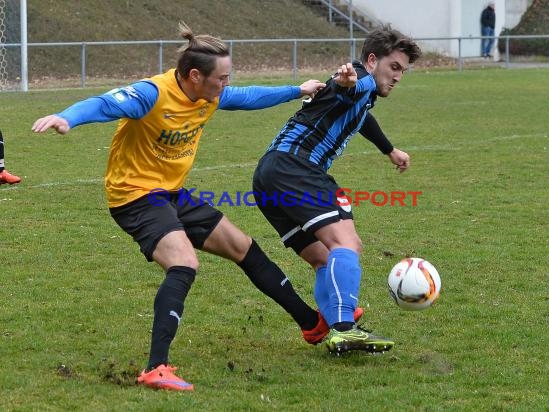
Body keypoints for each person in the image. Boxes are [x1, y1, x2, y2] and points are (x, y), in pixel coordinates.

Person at [31, 22, 351, 392]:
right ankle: (156, 368)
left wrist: (297, 90)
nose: (226, 85)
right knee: (184, 263)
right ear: (195, 76)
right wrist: (67, 118)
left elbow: (247, 96)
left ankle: (312, 324)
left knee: (242, 246)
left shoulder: (208, 94)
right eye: (222, 79)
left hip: (171, 192)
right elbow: (103, 103)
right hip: (135, 196)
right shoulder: (152, 94)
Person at [252, 24, 422, 355]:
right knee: (347, 243)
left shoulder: (365, 91)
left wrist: (389, 150)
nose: (399, 76)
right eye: (395, 67)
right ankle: (345, 329)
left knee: (324, 258)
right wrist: (345, 83)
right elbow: (348, 88)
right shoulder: (358, 79)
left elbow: (362, 114)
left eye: (404, 70)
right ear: (372, 61)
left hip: (268, 175)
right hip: (297, 168)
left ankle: (336, 326)